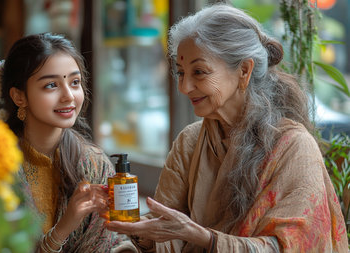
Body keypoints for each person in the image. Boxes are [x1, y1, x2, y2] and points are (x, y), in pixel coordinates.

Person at [106, 4, 348, 252]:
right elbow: (167, 228)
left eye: (199, 72)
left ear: (244, 70)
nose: (184, 87)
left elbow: (289, 247)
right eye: (181, 73)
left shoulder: (294, 147)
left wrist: (207, 239)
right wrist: (135, 231)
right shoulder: (189, 141)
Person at [0, 33, 136, 253]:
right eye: (51, 85)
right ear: (19, 96)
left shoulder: (95, 165)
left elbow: (112, 243)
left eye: (75, 82)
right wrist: (64, 227)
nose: (69, 95)